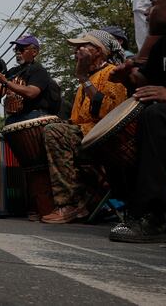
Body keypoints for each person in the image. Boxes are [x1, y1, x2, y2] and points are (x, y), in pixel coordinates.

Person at [108, 0, 166, 243]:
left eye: (153, 6)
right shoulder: (164, 45)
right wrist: (128, 77)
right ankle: (134, 208)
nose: (148, 13)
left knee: (157, 115)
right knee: (132, 121)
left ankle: (152, 216)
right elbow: (147, 82)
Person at [40, 30, 127, 224]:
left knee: (54, 131)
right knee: (53, 127)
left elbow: (107, 113)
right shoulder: (86, 80)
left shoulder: (112, 73)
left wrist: (82, 77)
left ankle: (69, 204)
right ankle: (82, 200)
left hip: (104, 142)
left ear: (98, 51)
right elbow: (78, 120)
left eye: (82, 46)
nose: (76, 51)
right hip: (87, 138)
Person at [0, 35, 60, 125]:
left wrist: (5, 81)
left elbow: (31, 92)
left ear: (34, 52)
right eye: (16, 49)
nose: (18, 52)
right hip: (13, 117)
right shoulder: (12, 72)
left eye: (21, 49)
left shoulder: (38, 70)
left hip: (33, 116)